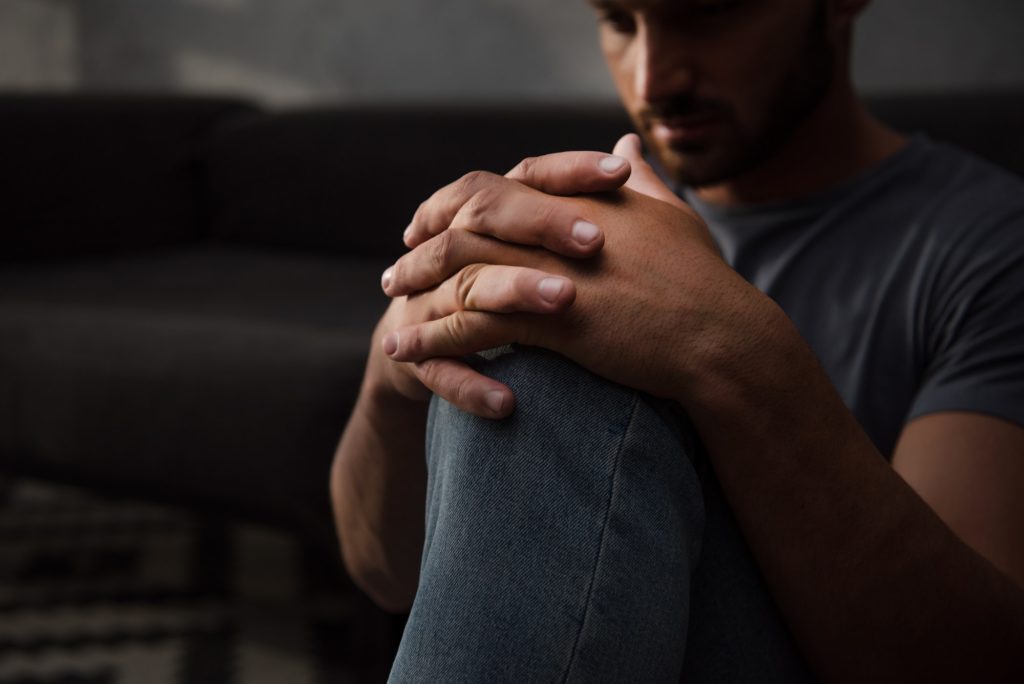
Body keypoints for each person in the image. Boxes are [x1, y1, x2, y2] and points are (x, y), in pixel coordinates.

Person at [331, 0, 1024, 680]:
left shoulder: (993, 250)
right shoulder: (590, 224)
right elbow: (381, 572)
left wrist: (723, 348)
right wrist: (396, 366)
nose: (653, 79)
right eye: (619, 21)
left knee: (562, 345)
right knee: (532, 325)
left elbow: (976, 662)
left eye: (705, 14)